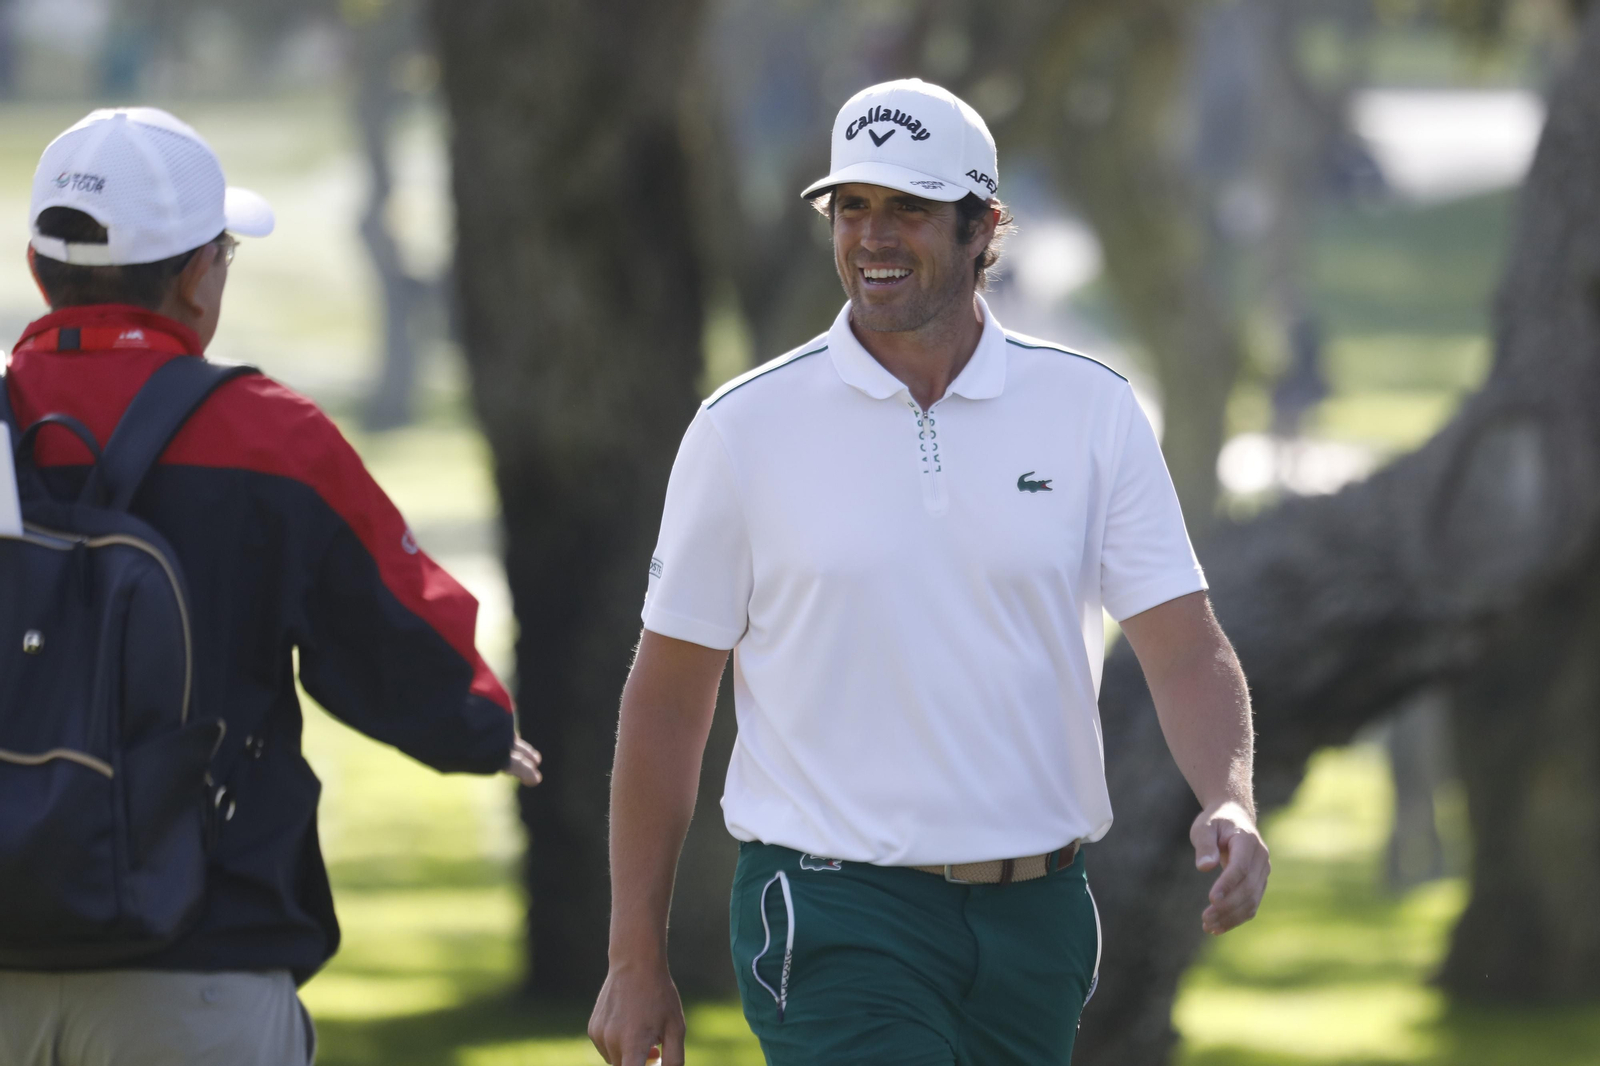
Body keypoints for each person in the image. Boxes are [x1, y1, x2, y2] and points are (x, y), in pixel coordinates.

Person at [588, 79, 1268, 1066]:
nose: (871, 237)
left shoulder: (1090, 410)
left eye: (906, 208)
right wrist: (632, 954)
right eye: (852, 207)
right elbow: (666, 702)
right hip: (829, 909)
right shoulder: (742, 431)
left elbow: (1184, 647)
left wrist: (1230, 794)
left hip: (1037, 917)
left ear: (981, 225)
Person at [0, 107, 541, 1065]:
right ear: (200, 274)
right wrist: (480, 729)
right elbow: (393, 632)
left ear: (42, 271)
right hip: (198, 962)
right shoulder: (268, 434)